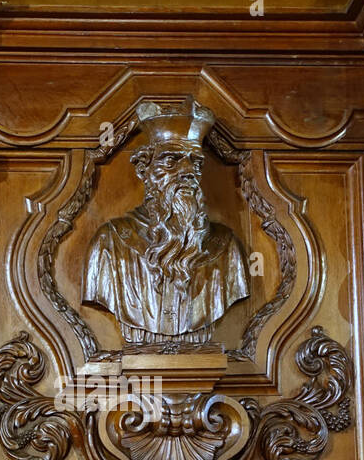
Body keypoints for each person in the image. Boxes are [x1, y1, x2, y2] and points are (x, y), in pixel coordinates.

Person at [83, 101, 249, 347]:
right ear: (144, 170)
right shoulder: (109, 243)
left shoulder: (226, 248)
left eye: (195, 162)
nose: (187, 171)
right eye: (171, 160)